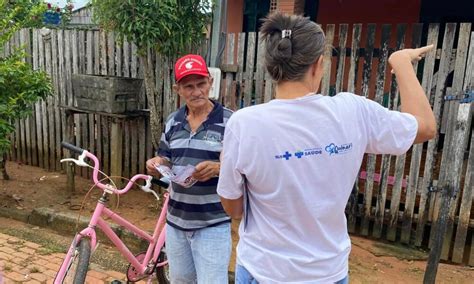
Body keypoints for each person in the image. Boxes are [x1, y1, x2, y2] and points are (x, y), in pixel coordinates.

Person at [217, 13, 436, 283]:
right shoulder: (353, 111)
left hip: (263, 270)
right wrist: (401, 63)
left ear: (272, 66)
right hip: (327, 273)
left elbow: (233, 208)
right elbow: (425, 126)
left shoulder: (244, 124)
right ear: (318, 64)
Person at [146, 54, 233, 283]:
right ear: (178, 89)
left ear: (210, 83)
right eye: (189, 86)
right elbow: (165, 157)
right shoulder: (173, 122)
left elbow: (244, 169)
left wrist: (218, 168)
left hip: (213, 223)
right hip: (176, 223)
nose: (196, 92)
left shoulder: (231, 122)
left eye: (201, 84)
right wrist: (157, 164)